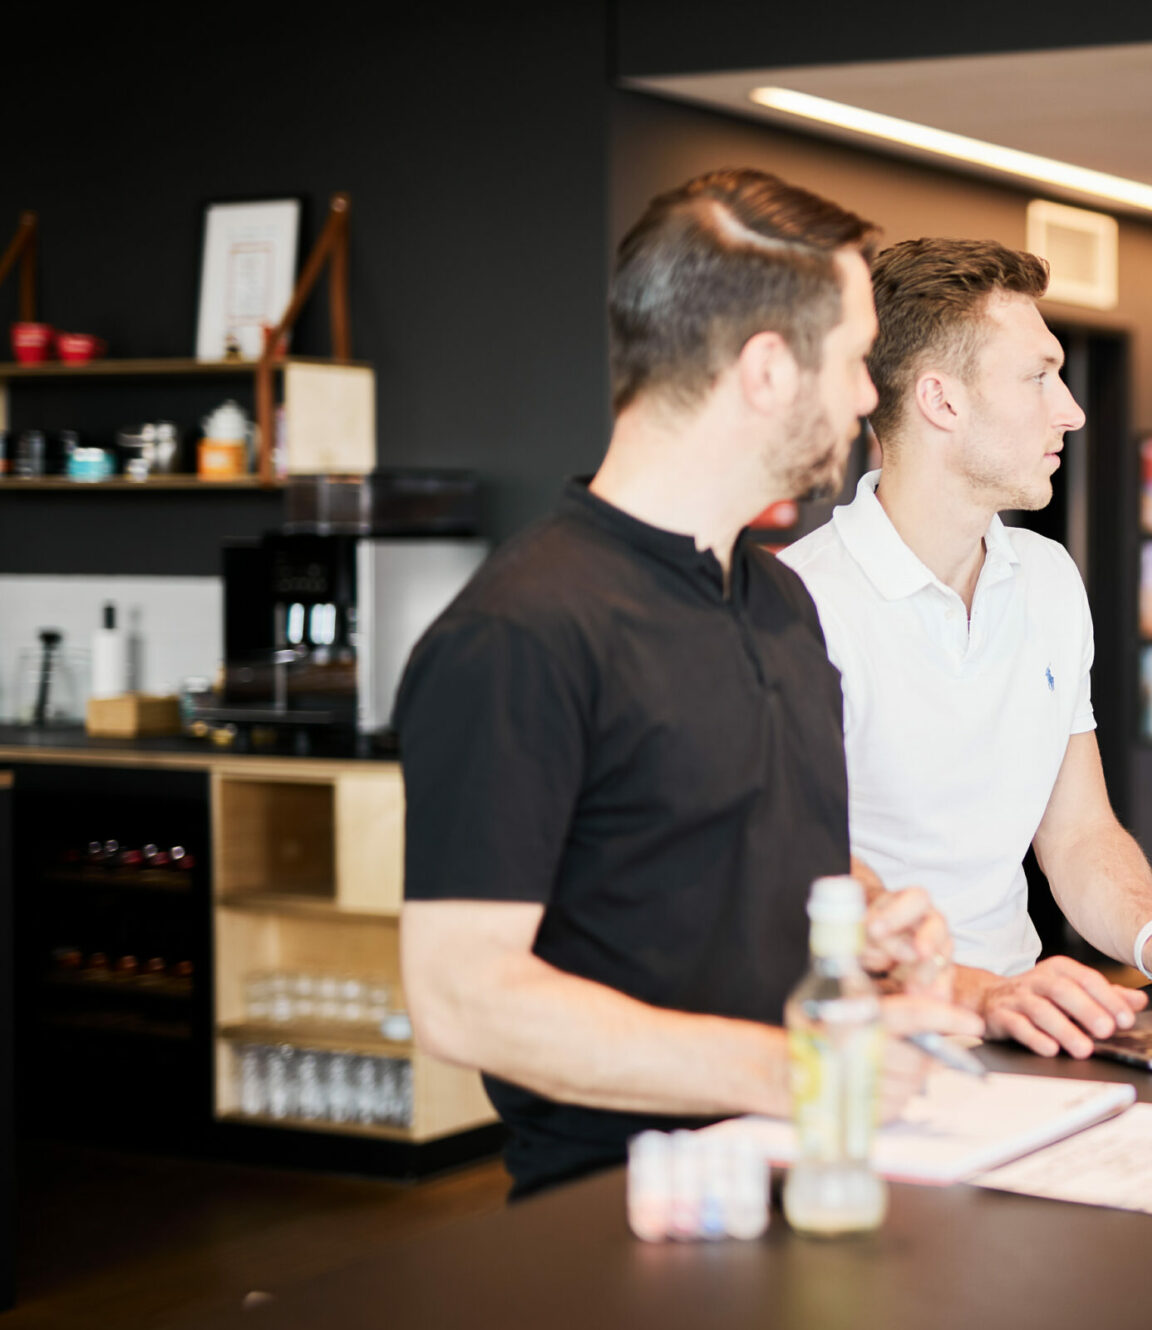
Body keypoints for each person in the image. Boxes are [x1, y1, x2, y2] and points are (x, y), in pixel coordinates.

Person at [394, 169, 981, 1200]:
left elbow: (711, 843)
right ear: (767, 369)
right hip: (619, 1211)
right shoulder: (519, 633)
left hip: (809, 1171)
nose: (865, 396)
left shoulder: (780, 600)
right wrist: (787, 1069)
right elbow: (461, 996)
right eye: (853, 360)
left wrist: (860, 921)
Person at [781, 237, 1152, 1059]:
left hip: (1021, 1031)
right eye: (1039, 376)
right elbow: (802, 886)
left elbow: (1078, 833)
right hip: (863, 1046)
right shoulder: (798, 605)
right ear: (941, 401)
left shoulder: (1047, 577)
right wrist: (980, 992)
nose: (1071, 410)